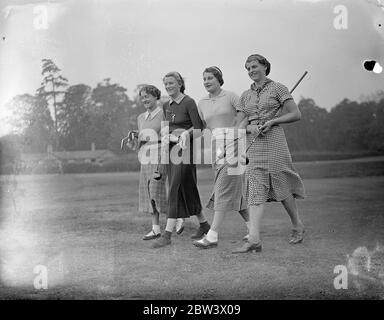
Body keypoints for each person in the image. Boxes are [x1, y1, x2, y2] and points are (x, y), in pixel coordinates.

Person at [233, 54, 306, 253]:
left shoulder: (278, 88)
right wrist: (250, 129)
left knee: (282, 186)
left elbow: (295, 114)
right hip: (254, 145)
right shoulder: (245, 96)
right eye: (247, 68)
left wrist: (274, 121)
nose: (250, 71)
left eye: (254, 66)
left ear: (265, 66)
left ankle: (297, 224)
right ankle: (254, 238)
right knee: (255, 188)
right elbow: (238, 125)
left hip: (274, 140)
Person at [192, 66, 250, 249]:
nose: (207, 82)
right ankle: (252, 228)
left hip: (235, 144)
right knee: (233, 190)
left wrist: (236, 132)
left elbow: (246, 116)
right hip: (216, 147)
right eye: (204, 79)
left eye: (210, 78)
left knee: (223, 188)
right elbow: (201, 127)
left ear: (219, 79)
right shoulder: (201, 103)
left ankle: (212, 235)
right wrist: (182, 136)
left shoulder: (231, 96)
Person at [152, 72, 210, 248]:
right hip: (171, 151)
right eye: (166, 84)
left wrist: (186, 133)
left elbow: (199, 129)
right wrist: (166, 136)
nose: (168, 86)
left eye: (171, 83)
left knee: (175, 188)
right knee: (188, 187)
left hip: (186, 151)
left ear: (180, 83)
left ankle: (167, 234)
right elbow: (165, 129)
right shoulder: (165, 105)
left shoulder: (189, 102)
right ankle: (205, 224)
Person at [127, 85, 183, 240]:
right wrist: (134, 140)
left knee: (155, 188)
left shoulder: (163, 114)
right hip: (145, 156)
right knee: (148, 191)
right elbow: (141, 140)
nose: (144, 99)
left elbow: (166, 136)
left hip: (160, 154)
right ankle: (156, 228)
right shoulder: (140, 118)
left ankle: (176, 216)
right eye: (142, 97)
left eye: (147, 96)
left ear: (155, 97)